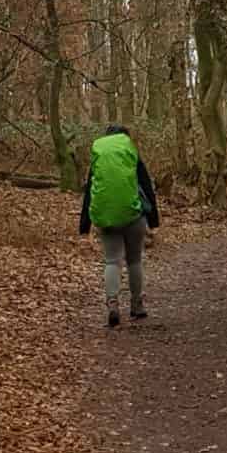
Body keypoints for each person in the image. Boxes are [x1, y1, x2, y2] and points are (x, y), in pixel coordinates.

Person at [79, 124, 160, 328]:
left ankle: (113, 304)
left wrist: (84, 226)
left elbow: (90, 189)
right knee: (134, 260)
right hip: (134, 215)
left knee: (112, 261)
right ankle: (136, 306)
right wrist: (154, 221)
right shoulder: (130, 150)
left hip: (106, 216)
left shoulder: (99, 153)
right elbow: (146, 184)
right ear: (125, 137)